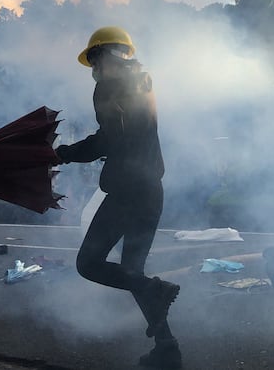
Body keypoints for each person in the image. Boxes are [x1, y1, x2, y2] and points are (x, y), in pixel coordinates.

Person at [53, 26, 181, 369]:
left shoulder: (107, 86)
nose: (92, 68)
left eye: (93, 59)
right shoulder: (144, 82)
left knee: (89, 264)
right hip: (153, 188)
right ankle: (167, 348)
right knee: (133, 271)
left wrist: (64, 153)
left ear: (102, 55)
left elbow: (107, 140)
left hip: (128, 190)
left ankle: (157, 291)